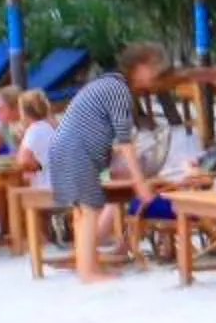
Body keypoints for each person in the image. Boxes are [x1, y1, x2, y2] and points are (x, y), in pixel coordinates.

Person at [50, 43, 167, 284]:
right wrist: (139, 184)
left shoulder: (109, 84)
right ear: (140, 65)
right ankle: (88, 272)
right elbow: (125, 143)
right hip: (79, 148)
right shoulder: (119, 90)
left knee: (83, 211)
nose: (156, 75)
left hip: (66, 145)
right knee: (90, 209)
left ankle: (88, 266)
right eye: (154, 68)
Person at [12, 91, 58, 183]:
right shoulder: (51, 126)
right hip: (61, 185)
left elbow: (23, 162)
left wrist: (40, 166)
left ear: (23, 113)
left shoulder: (34, 130)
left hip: (45, 190)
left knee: (10, 190)